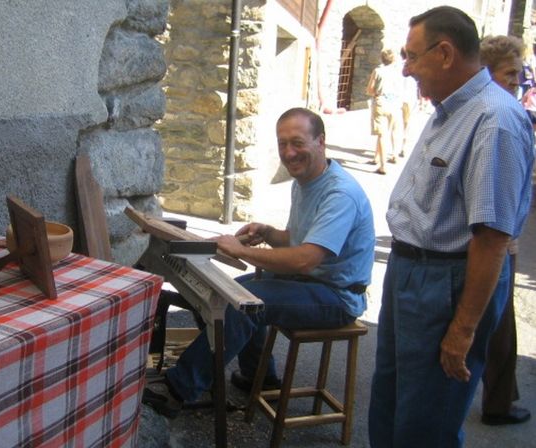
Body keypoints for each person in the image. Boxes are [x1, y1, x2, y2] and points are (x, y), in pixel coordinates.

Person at [369, 7, 534, 448]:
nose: (405, 69)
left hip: (446, 281)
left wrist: (461, 331)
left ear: (444, 53)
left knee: (425, 426)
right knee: (389, 410)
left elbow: (492, 238)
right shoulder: (449, 109)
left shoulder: (494, 120)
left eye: (412, 56)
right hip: (413, 273)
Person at [143, 107, 375, 417]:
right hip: (314, 282)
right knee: (228, 293)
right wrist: (266, 232)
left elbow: (306, 259)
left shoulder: (339, 194)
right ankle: (261, 378)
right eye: (282, 144)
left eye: (297, 142)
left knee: (243, 305)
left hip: (338, 295)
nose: (289, 152)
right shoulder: (306, 181)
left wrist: (241, 251)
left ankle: (178, 389)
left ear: (321, 141)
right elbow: (298, 239)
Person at [478, 34, 531, 426]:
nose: (516, 80)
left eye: (519, 73)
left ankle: (501, 396)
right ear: (489, 73)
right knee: (498, 326)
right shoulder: (500, 115)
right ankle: (497, 404)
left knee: (498, 323)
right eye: (510, 73)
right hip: (496, 241)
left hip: (498, 238)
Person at [366, 48, 401, 175]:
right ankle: (392, 155)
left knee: (381, 134)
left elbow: (370, 89)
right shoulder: (398, 72)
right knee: (393, 130)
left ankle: (383, 165)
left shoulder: (378, 71)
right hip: (395, 103)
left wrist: (375, 93)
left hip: (381, 102)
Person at [398, 47, 419, 159]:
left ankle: (394, 149)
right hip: (410, 98)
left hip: (399, 98)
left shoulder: (397, 65)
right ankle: (403, 147)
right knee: (407, 124)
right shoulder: (415, 65)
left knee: (396, 125)